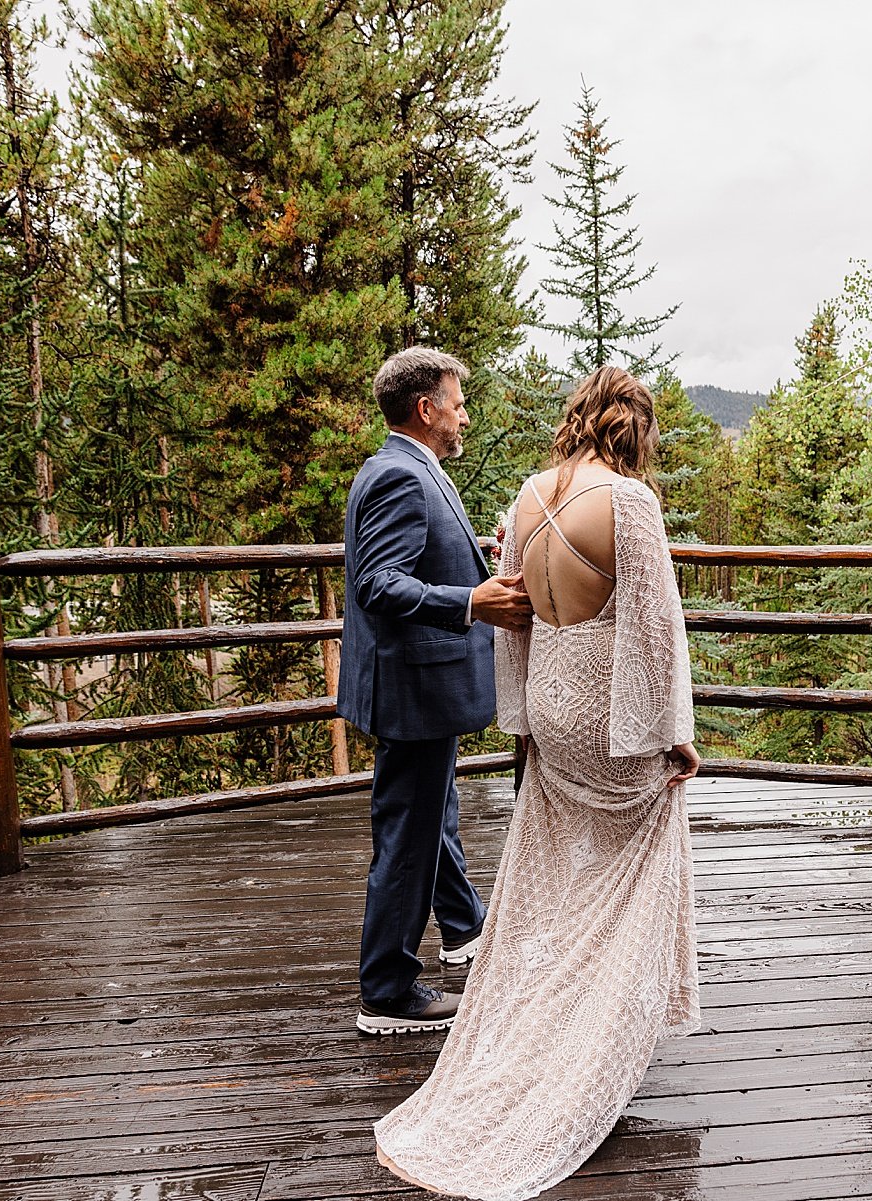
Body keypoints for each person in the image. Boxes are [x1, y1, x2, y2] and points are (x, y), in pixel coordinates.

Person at [374, 365, 701, 1200]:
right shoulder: (628, 503)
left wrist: (521, 714)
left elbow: (513, 610)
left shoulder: (528, 495)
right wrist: (676, 735)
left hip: (551, 709)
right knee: (625, 871)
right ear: (633, 425)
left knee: (560, 876)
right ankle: (589, 1041)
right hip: (608, 712)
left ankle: (546, 1013)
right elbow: (659, 627)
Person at [339, 347, 533, 1035]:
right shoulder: (400, 476)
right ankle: (387, 989)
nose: (465, 414)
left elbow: (418, 556)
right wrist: (472, 601)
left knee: (431, 811)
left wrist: (483, 553)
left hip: (415, 688)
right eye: (457, 403)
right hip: (412, 690)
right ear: (426, 409)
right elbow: (380, 584)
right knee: (408, 836)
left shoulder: (404, 465)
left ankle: (462, 926)